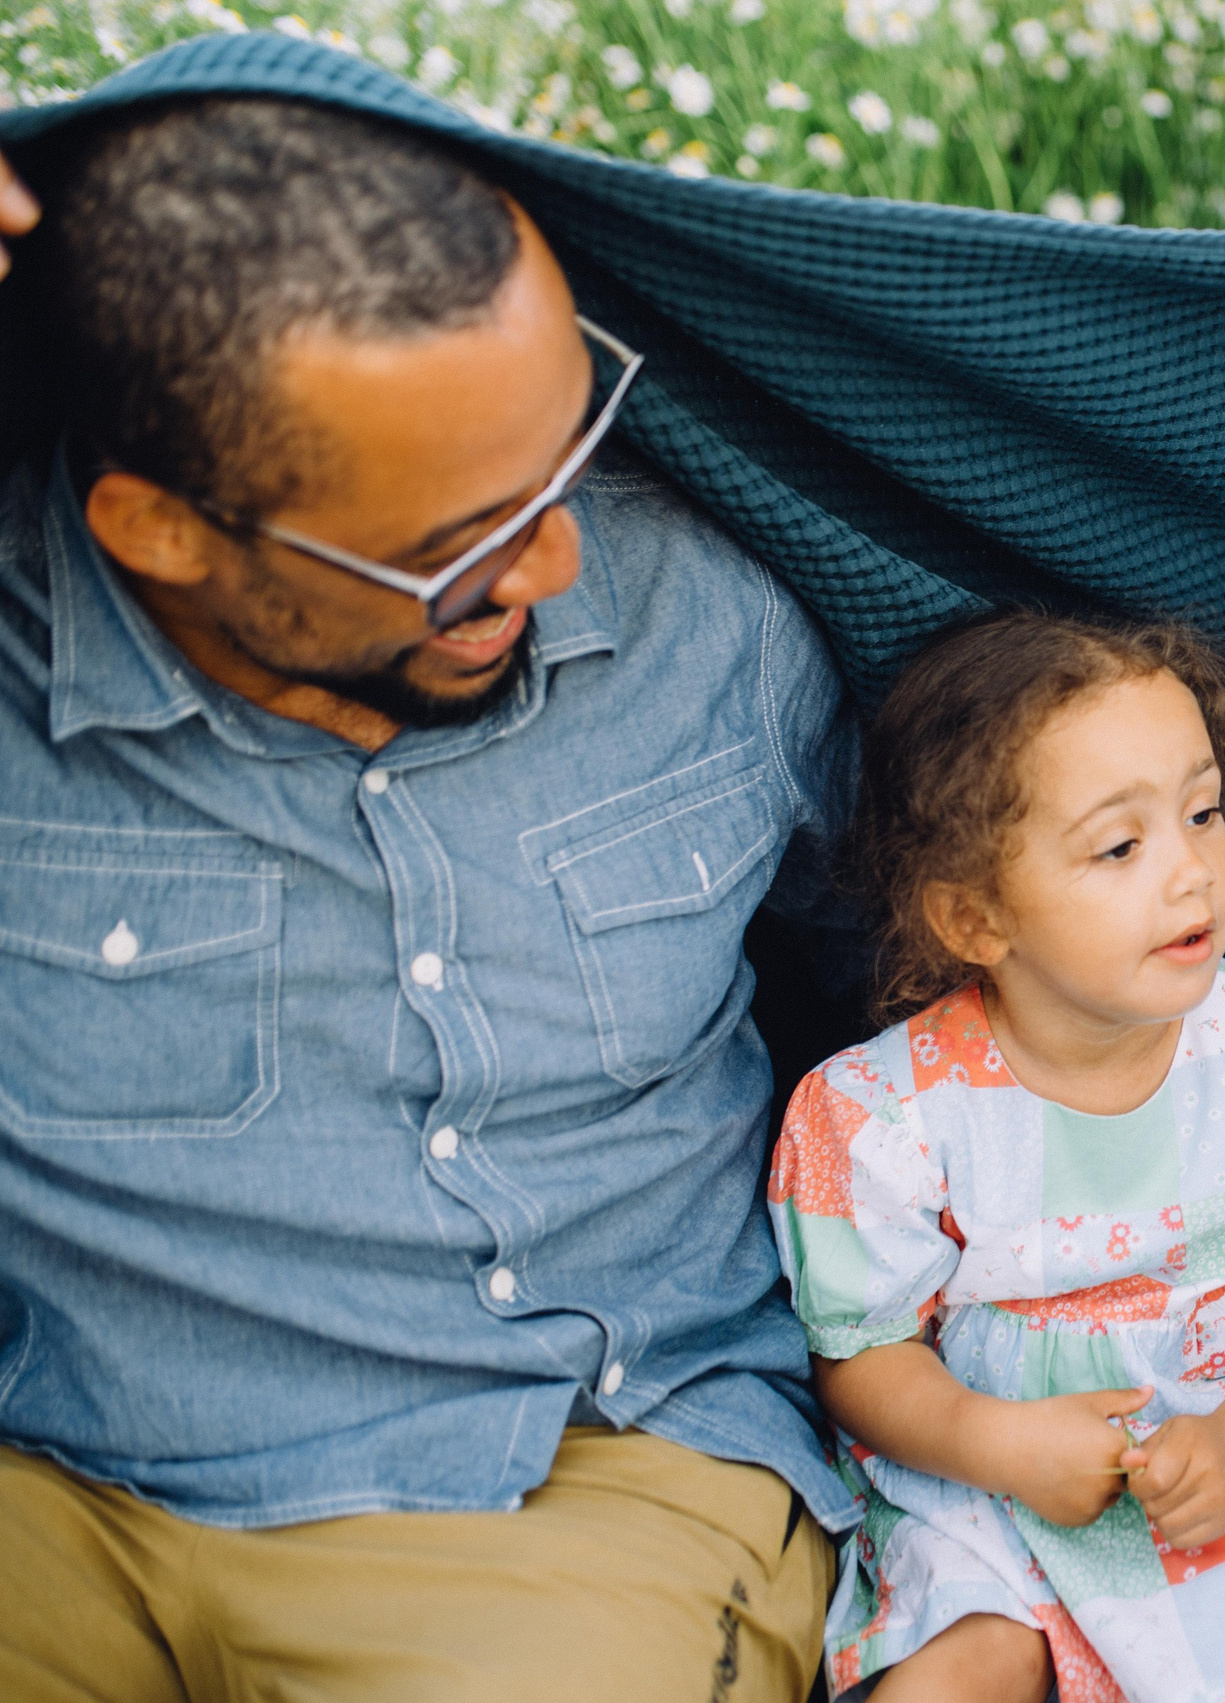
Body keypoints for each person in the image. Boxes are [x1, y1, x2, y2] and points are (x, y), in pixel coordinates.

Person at [0, 96, 862, 1701]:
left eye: (567, 460)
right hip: (54, 1479)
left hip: (569, 1479)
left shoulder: (708, 631)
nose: (553, 567)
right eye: (456, 546)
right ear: (159, 530)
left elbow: (937, 966)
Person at [769, 611, 1225, 1703]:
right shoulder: (887, 1116)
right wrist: (995, 1443)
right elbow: (862, 1355)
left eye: (1203, 813)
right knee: (964, 1658)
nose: (1191, 875)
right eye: (1120, 846)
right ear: (975, 917)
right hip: (993, 1473)